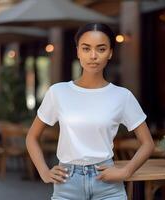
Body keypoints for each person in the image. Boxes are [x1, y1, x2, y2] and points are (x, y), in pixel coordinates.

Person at [26, 23, 154, 200]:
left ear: (110, 53)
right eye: (86, 49)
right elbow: (31, 137)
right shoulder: (58, 92)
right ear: (78, 51)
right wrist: (44, 172)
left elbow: (148, 143)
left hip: (107, 183)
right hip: (67, 182)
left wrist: (126, 171)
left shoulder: (122, 96)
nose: (93, 56)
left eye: (101, 49)